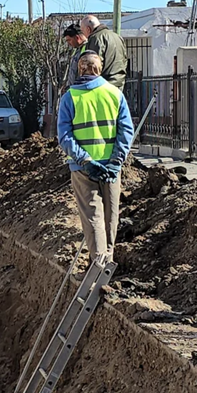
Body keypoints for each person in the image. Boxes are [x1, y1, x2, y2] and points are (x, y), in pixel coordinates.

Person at [57, 52, 135, 265]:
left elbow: (64, 136)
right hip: (111, 167)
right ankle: (106, 261)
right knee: (111, 217)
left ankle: (99, 265)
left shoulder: (70, 98)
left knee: (93, 217)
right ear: (100, 69)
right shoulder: (114, 94)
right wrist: (116, 161)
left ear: (79, 69)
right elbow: (126, 131)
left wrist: (85, 160)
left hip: (84, 169)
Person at [80, 15, 127, 90]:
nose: (83, 35)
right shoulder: (118, 37)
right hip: (119, 84)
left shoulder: (95, 38)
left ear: (88, 29)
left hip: (103, 85)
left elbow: (93, 65)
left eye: (83, 31)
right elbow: (124, 60)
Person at [62, 23, 87, 94]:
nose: (68, 43)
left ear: (77, 38)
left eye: (69, 40)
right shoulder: (77, 50)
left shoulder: (87, 51)